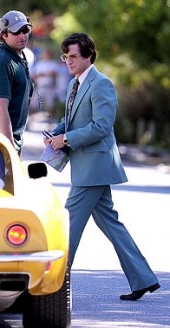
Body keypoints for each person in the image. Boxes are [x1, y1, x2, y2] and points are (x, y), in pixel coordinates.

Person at [45, 32, 160, 301]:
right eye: (65, 57)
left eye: (74, 56)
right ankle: (143, 278)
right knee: (111, 224)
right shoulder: (76, 83)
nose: (68, 61)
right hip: (88, 166)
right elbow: (73, 118)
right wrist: (57, 132)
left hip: (94, 166)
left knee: (67, 224)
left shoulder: (101, 84)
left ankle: (52, 282)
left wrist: (68, 139)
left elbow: (101, 126)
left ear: (89, 56)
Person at [0, 10, 34, 156]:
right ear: (4, 35)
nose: (23, 35)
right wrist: (8, 150)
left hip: (8, 145)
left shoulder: (19, 56)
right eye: (17, 32)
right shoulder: (1, 60)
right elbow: (0, 107)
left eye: (25, 30)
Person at [31, 48, 59, 116]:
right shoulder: (39, 64)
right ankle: (31, 120)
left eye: (48, 54)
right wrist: (46, 74)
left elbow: (53, 74)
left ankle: (51, 120)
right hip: (40, 86)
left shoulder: (53, 63)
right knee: (35, 104)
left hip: (49, 87)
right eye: (46, 54)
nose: (47, 55)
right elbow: (34, 75)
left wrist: (42, 74)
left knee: (50, 104)